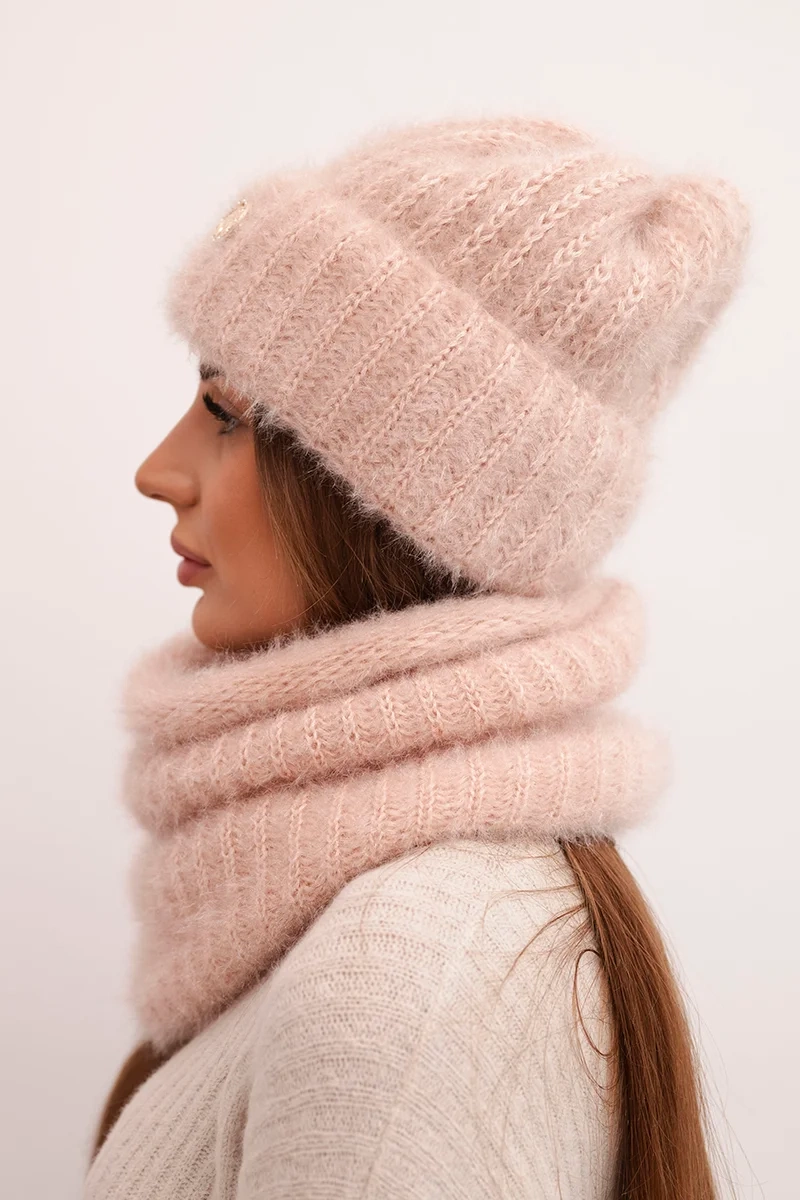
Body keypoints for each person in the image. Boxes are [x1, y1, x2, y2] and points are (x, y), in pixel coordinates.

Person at [83, 114, 750, 1199]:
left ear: (393, 498)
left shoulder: (403, 977)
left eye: (223, 414)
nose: (159, 471)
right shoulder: (387, 926)